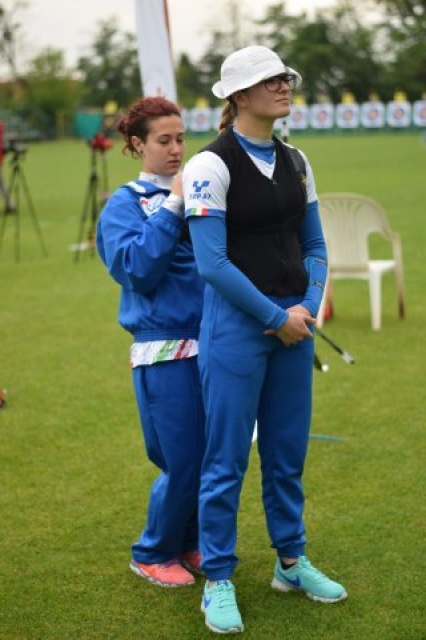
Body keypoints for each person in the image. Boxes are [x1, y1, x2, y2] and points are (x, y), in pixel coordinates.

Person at [182, 45, 347, 634]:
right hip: (236, 328)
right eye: (269, 81)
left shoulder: (298, 160)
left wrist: (304, 305)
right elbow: (213, 265)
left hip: (294, 322)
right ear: (239, 96)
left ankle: (291, 562)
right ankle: (219, 577)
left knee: (285, 455)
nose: (284, 86)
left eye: (285, 78)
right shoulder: (208, 165)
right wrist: (275, 318)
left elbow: (317, 247)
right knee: (225, 459)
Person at [96, 97, 205, 588]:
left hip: (214, 342)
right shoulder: (124, 203)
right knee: (181, 458)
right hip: (163, 347)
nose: (177, 149)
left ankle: (189, 543)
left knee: (211, 457)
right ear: (137, 144)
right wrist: (174, 205)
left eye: (181, 138)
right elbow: (137, 269)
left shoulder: (201, 189)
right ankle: (152, 551)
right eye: (164, 140)